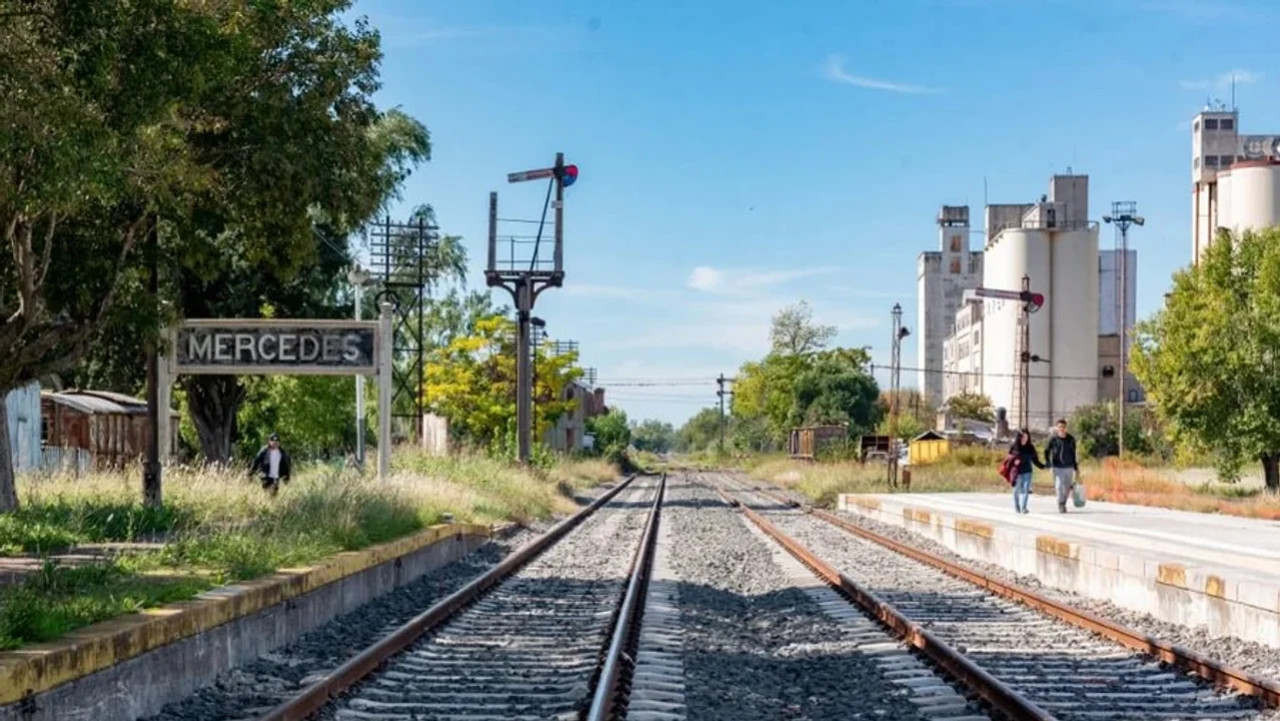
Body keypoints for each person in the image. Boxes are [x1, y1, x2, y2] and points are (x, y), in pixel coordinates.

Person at [1045, 418, 1079, 513]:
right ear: (1057, 428)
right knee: (1059, 486)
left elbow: (1074, 453)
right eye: (1060, 427)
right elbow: (1046, 451)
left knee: (1067, 487)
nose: (1061, 429)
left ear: (1066, 428)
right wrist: (1048, 463)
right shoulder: (1053, 440)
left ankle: (1063, 502)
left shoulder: (1071, 439)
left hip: (1069, 466)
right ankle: (1060, 503)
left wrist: (1075, 466)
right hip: (1057, 466)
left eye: (1063, 427)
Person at [1008, 429, 1044, 514]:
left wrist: (1043, 466)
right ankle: (1017, 507)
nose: (1025, 439)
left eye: (1026, 437)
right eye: (1023, 437)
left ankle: (1024, 508)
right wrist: (1014, 461)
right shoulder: (1014, 447)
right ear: (1019, 437)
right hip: (1017, 472)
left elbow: (1035, 460)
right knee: (1016, 490)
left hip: (1027, 471)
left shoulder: (1030, 447)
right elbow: (1009, 459)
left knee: (1026, 490)